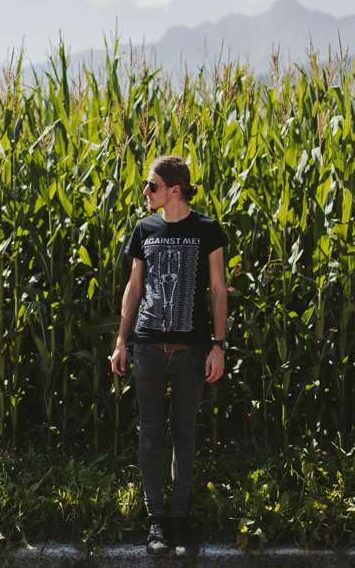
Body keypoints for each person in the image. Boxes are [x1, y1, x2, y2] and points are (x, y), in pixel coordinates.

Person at [110, 155, 229, 557]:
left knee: (184, 433)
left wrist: (219, 344)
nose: (146, 192)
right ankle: (156, 520)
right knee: (149, 432)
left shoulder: (207, 230)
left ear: (173, 190)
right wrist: (122, 341)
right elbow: (134, 287)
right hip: (147, 348)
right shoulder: (145, 229)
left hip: (193, 351)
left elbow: (217, 289)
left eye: (152, 186)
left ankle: (179, 519)